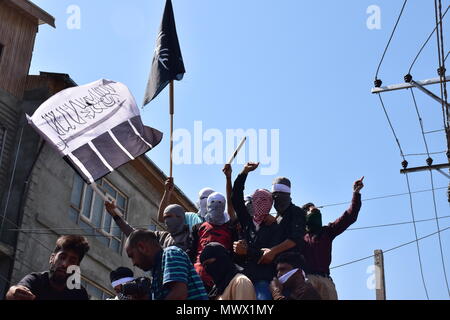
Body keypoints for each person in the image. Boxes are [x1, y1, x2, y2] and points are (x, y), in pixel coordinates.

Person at [301, 177, 364, 300]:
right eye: (310, 210)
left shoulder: (327, 232)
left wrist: (356, 193)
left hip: (326, 281)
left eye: (316, 209)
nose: (314, 210)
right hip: (307, 280)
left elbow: (350, 216)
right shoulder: (299, 237)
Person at [231, 162, 283, 300]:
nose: (260, 203)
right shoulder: (246, 221)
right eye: (257, 199)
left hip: (263, 280)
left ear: (270, 204)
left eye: (264, 200)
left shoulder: (274, 228)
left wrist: (247, 251)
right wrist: (244, 172)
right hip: (243, 277)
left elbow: (268, 255)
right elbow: (236, 197)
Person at [125, 229, 208, 300]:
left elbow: (179, 295)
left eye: (132, 256)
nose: (133, 263)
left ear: (142, 247)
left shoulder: (170, 253)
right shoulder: (156, 272)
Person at [6, 235, 90, 300]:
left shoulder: (79, 294)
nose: (65, 264)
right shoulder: (35, 280)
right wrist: (14, 291)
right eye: (62, 257)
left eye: (72, 261)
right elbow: (15, 291)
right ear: (52, 258)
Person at [105, 195, 192, 252]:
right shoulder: (162, 237)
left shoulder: (191, 236)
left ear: (180, 217)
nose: (166, 221)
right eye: (164, 218)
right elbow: (135, 234)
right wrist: (115, 215)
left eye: (169, 217)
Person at [191, 191, 238, 292]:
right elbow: (192, 251)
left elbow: (233, 253)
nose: (216, 206)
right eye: (212, 202)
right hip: (199, 276)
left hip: (222, 278)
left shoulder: (230, 229)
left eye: (220, 203)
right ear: (208, 206)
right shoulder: (198, 228)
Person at [257, 177, 306, 266]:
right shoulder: (275, 218)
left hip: (291, 266)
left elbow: (295, 238)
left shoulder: (296, 212)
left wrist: (273, 251)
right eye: (274, 194)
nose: (277, 197)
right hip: (274, 267)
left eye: (281, 194)